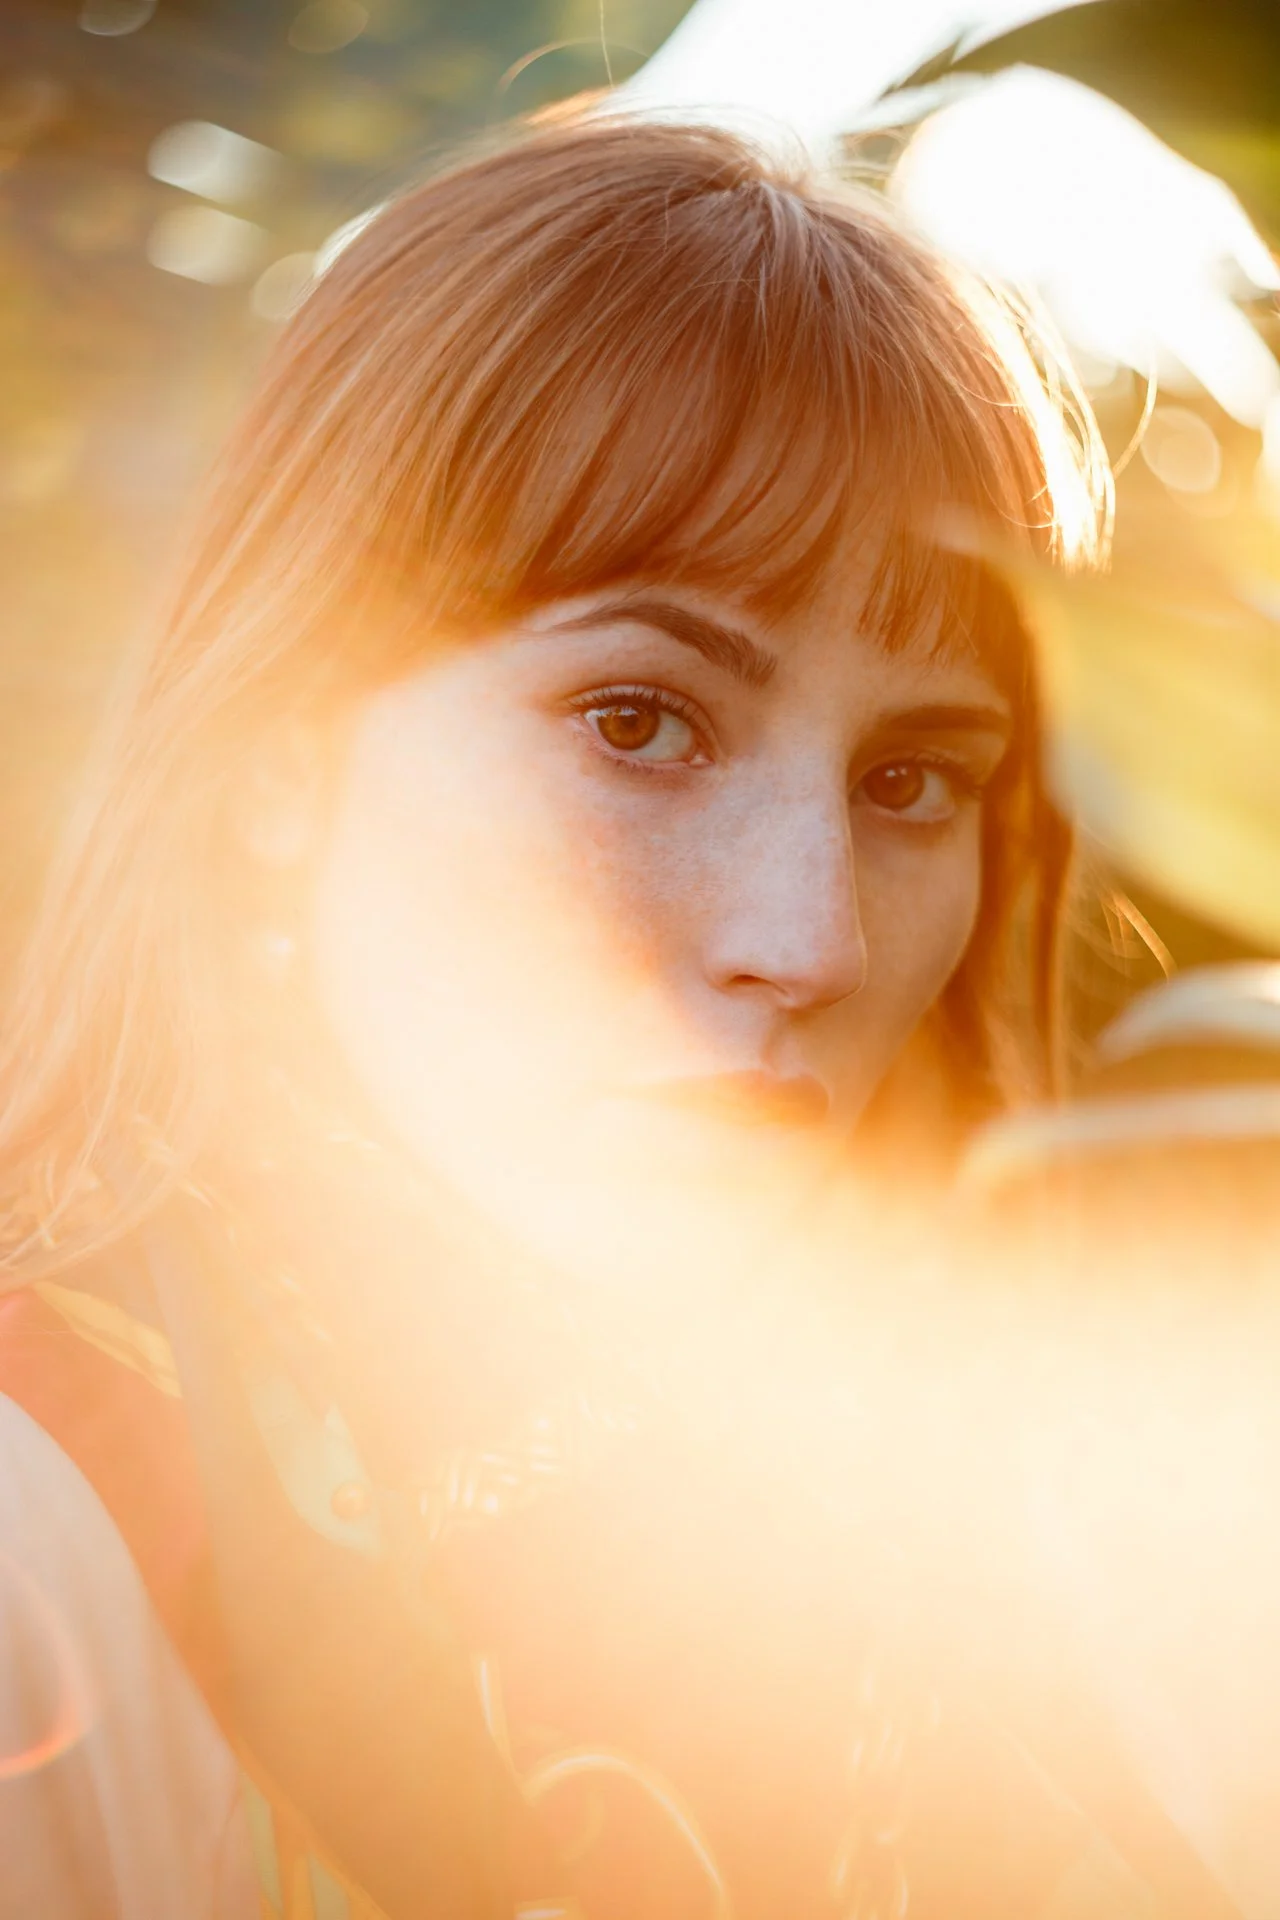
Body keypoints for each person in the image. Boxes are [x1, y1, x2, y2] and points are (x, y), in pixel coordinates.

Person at [0, 114, 1232, 1920]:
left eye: (913, 777)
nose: (805, 935)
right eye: (638, 722)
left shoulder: (1081, 1550)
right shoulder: (52, 1550)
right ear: (279, 755)